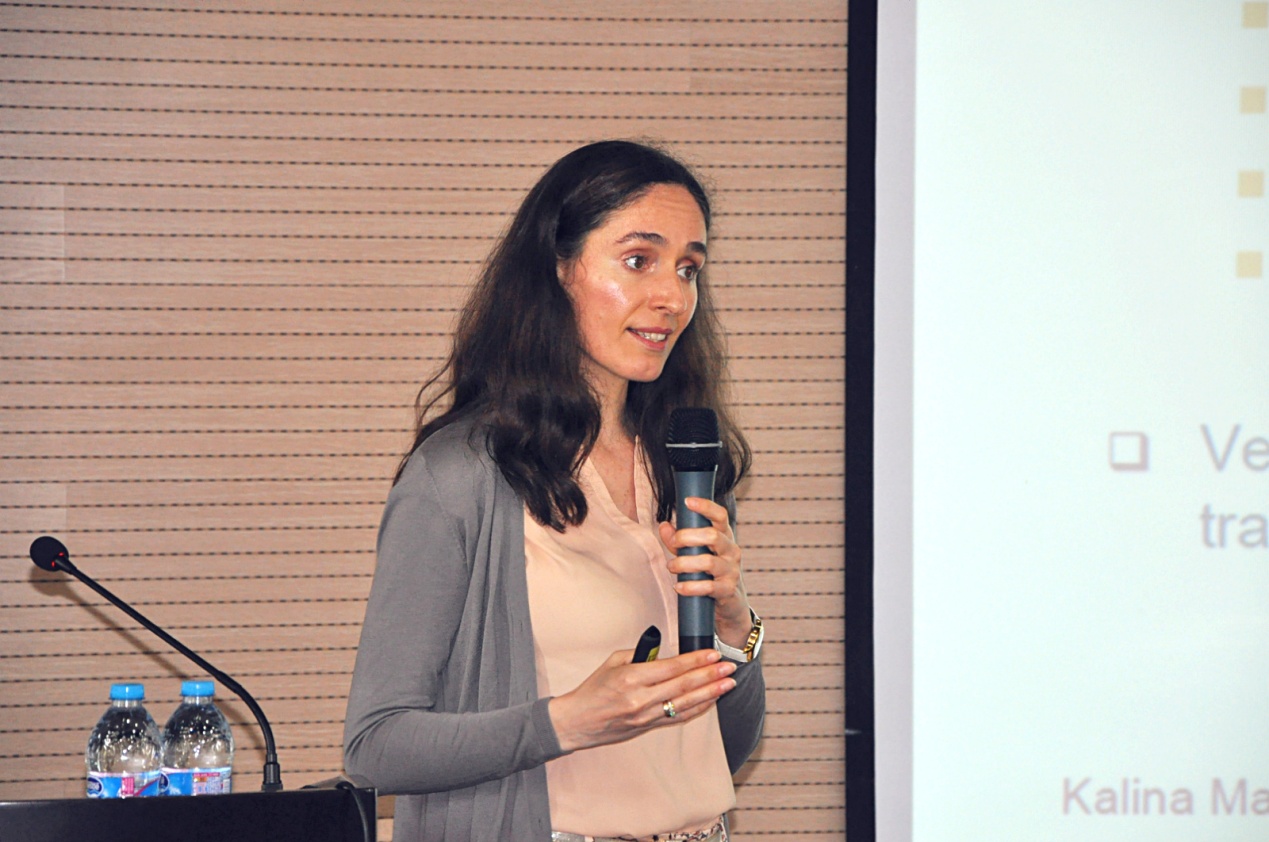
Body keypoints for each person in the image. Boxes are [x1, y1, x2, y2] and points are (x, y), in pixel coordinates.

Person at [343, 140, 765, 842]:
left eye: (688, 268)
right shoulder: (460, 477)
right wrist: (571, 720)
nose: (671, 296)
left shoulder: (684, 463)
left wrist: (733, 625)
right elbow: (376, 747)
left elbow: (724, 747)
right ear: (558, 268)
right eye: (639, 260)